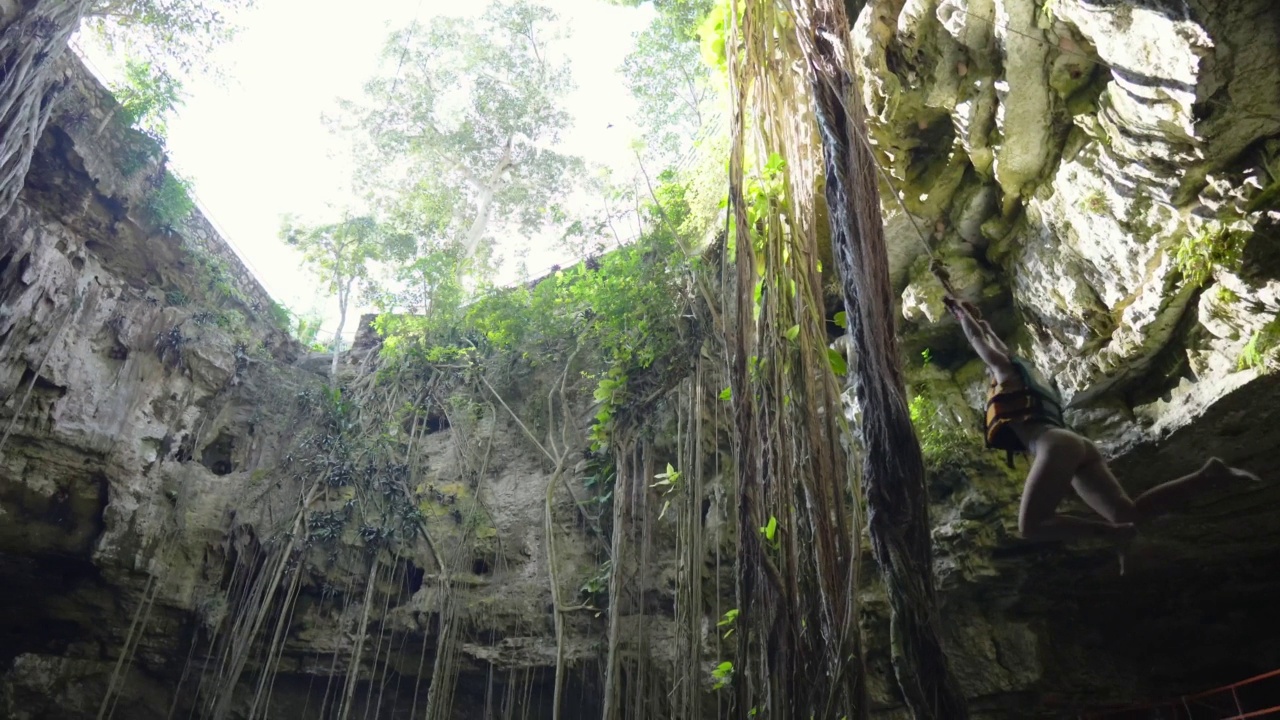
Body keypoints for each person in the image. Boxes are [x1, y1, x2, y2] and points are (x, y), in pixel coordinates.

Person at [942, 295, 1260, 545]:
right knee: (1128, 513)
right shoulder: (1025, 373)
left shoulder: (1005, 373)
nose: (988, 373)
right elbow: (993, 342)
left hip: (1053, 445)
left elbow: (981, 343)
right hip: (1075, 445)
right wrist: (977, 318)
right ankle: (1207, 476)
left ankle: (1110, 534)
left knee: (1031, 527)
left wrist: (960, 314)